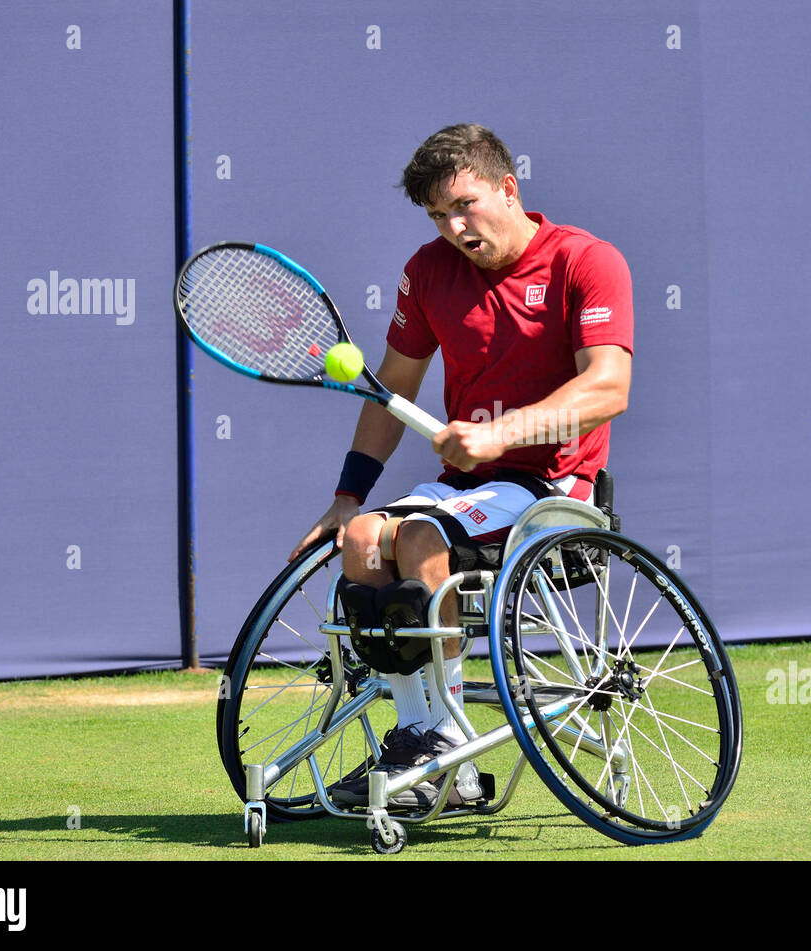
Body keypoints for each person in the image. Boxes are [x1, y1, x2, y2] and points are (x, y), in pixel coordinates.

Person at [288, 123, 633, 808]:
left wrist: (499, 435)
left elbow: (608, 389)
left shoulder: (587, 262)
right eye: (438, 215)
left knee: (419, 537)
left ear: (508, 188)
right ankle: (427, 736)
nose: (454, 227)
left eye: (465, 205)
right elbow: (392, 390)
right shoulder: (427, 272)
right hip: (465, 490)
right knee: (362, 539)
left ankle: (441, 750)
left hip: (551, 490)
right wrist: (346, 496)